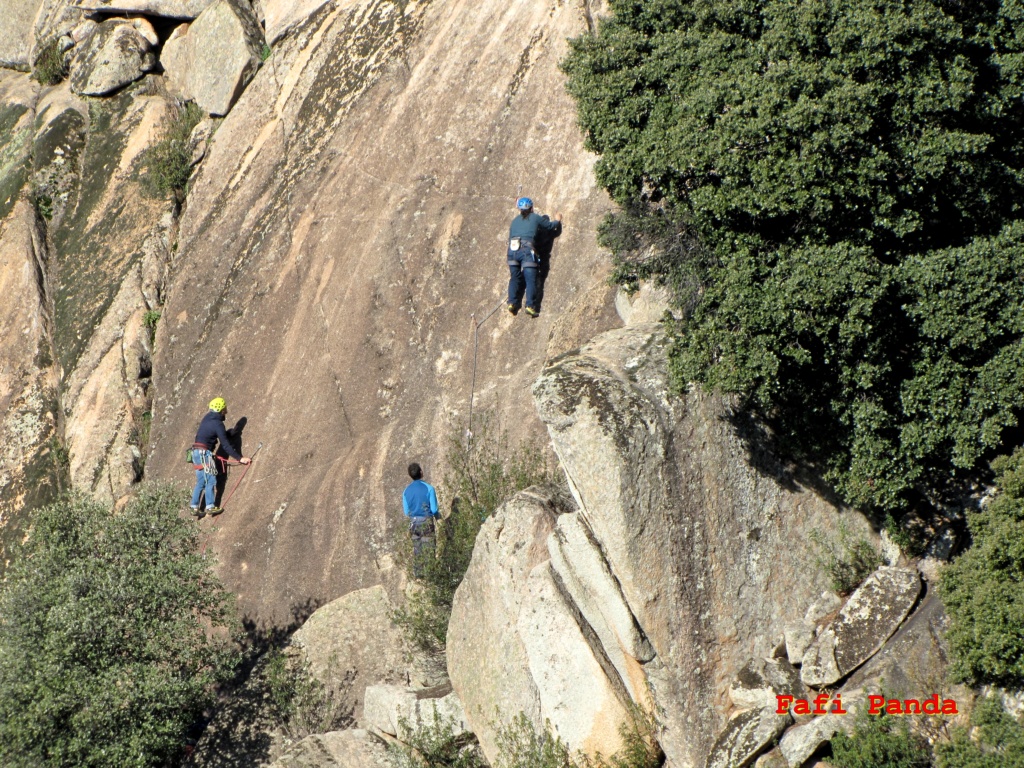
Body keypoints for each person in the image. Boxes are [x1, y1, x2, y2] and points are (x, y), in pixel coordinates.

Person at [190, 398, 251, 517]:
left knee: (202, 481)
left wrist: (228, 433)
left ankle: (194, 507)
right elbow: (225, 445)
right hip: (204, 454)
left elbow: (214, 434)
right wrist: (240, 458)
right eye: (224, 409)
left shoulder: (207, 418)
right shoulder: (218, 424)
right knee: (211, 480)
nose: (226, 412)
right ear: (221, 410)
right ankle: (210, 507)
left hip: (195, 453)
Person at [507, 197, 563, 318]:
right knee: (530, 278)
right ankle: (530, 305)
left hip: (512, 251)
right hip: (526, 251)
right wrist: (558, 220)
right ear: (531, 208)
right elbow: (550, 226)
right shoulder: (535, 217)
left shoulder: (514, 221)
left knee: (514, 277)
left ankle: (512, 302)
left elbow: (510, 238)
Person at [402, 462, 439, 577]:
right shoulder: (429, 488)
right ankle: (431, 577)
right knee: (428, 550)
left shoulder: (406, 491)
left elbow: (406, 512)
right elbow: (434, 509)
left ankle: (419, 577)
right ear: (421, 472)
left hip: (413, 523)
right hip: (426, 521)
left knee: (417, 550)